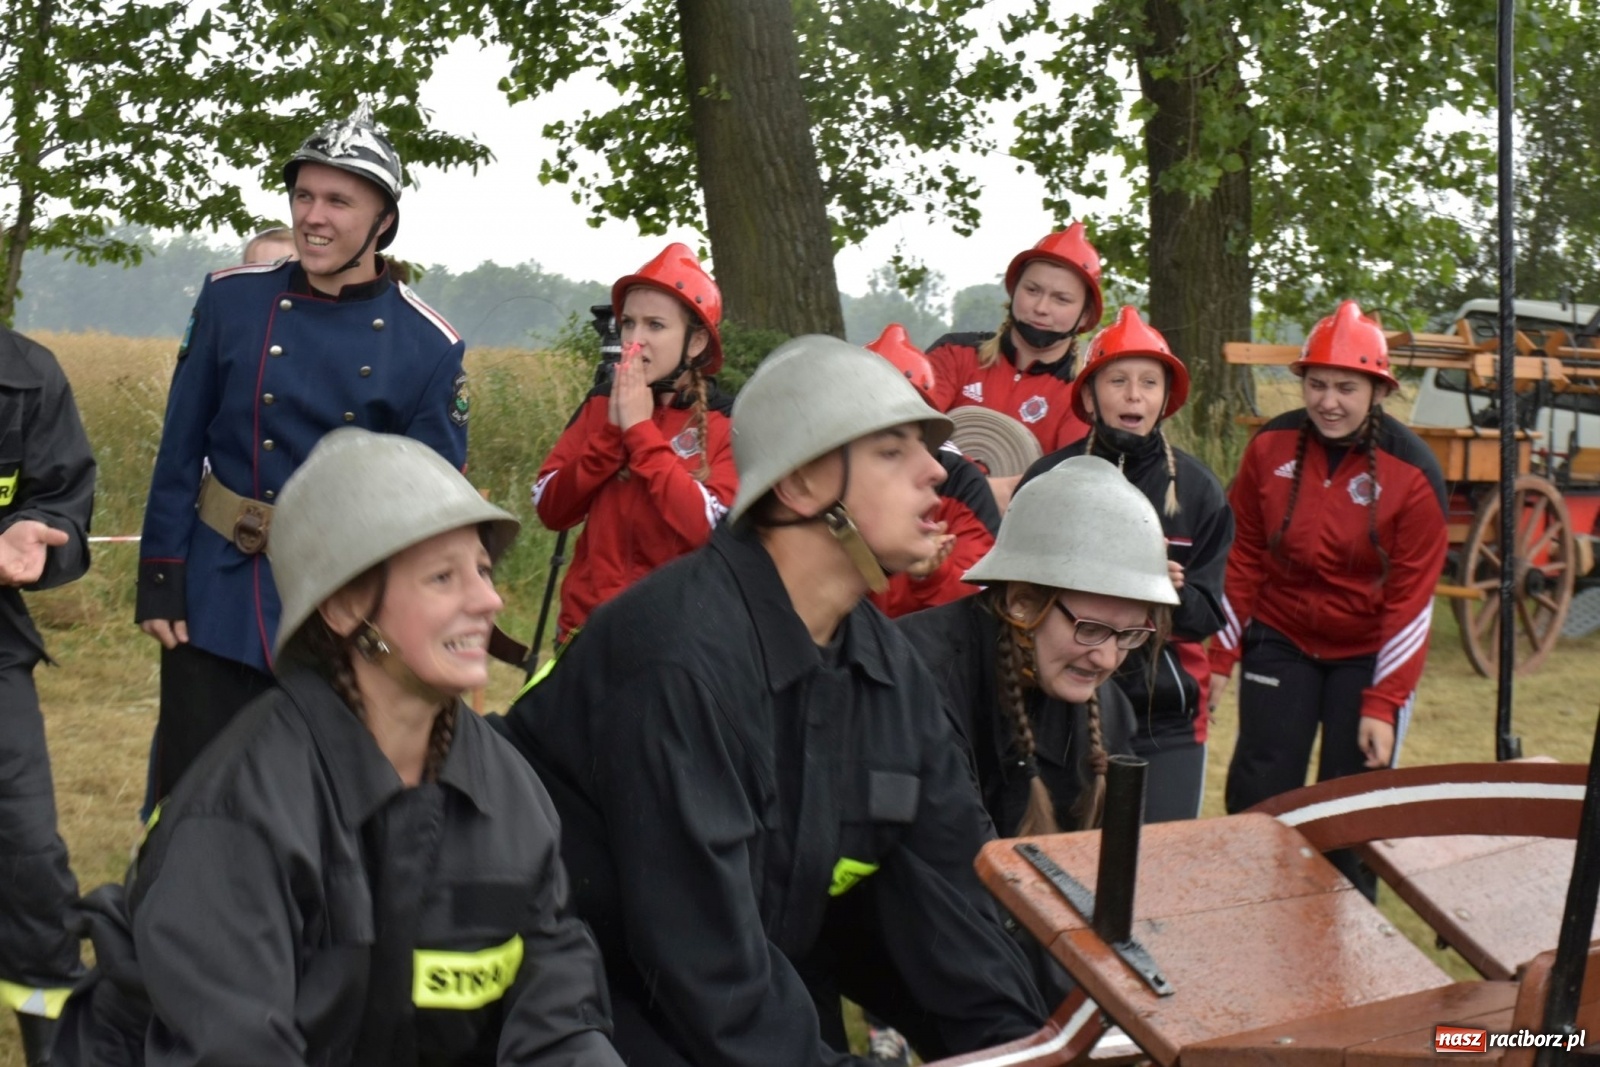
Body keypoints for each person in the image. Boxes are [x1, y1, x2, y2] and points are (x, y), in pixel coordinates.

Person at [499, 335, 1047, 1066]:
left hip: (737, 989)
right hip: (581, 1007)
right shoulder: (678, 654)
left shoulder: (886, 668)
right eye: (892, 451)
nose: (935, 471)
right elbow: (703, 967)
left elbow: (955, 904)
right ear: (797, 486)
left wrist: (1029, 1050)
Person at [64, 429, 623, 1067]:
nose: (488, 600)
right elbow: (235, 1051)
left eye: (484, 570)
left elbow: (559, 1020)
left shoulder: (510, 799)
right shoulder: (241, 814)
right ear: (344, 606)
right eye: (443, 577)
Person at [135, 103, 469, 802]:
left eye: (338, 201)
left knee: (315, 806)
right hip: (216, 589)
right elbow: (180, 444)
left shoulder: (427, 346)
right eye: (303, 196)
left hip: (337, 613)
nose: (314, 216)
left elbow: (432, 519)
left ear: (382, 221)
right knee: (193, 794)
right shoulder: (232, 300)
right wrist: (163, 573)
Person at [1210, 300, 1447, 897]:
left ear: (1377, 389)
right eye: (1316, 384)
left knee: (1352, 805)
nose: (1328, 401)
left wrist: (1383, 702)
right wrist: (1218, 660)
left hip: (1364, 652)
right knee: (1262, 788)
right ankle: (1249, 912)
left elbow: (1412, 602)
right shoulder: (1270, 447)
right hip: (1280, 637)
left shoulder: (1413, 472)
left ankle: (1346, 940)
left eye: (1346, 386)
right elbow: (1241, 558)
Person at [1016, 307, 1233, 822]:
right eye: (1117, 380)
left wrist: (1162, 593)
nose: (1134, 395)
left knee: (1158, 873)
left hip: (1165, 717)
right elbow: (1016, 599)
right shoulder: (1048, 479)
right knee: (1060, 870)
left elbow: (1207, 614)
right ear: (1090, 396)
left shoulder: (1200, 492)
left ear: (1166, 399)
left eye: (1149, 383)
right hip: (1060, 709)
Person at [898, 456, 1177, 838]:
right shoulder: (914, 674)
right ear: (1022, 602)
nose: (1108, 659)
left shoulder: (1109, 713)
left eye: (1130, 634)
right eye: (1090, 628)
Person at [532, 242, 735, 652]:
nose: (634, 341)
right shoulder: (599, 405)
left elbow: (708, 529)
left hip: (676, 643)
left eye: (655, 326)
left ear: (695, 343)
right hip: (584, 632)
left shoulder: (725, 421)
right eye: (628, 324)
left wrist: (641, 431)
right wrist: (611, 435)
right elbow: (550, 509)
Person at [0, 328, 96, 1067]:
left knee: (28, 861)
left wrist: (42, 531)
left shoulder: (29, 375)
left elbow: (62, 495)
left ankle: (58, 1044)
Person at [923, 224, 1104, 510]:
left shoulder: (1083, 396)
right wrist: (978, 483)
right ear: (1014, 291)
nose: (1041, 307)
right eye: (1032, 290)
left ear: (1085, 316)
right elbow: (911, 435)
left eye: (1062, 299)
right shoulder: (953, 354)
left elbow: (1070, 487)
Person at [863, 324, 999, 619]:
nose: (933, 473)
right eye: (888, 449)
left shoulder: (960, 482)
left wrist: (931, 575)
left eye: (917, 437)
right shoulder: (820, 489)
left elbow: (979, 606)